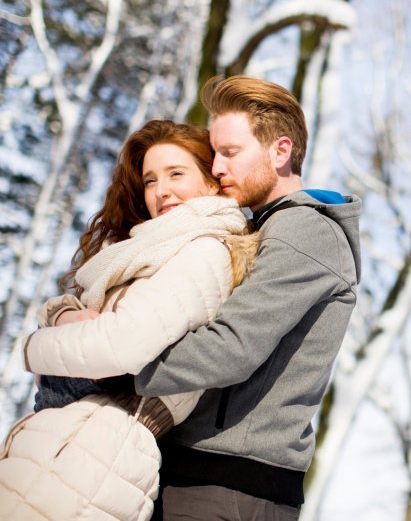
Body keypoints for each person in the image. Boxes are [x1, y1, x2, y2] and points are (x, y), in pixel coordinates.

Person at [0, 120, 256, 520]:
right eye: (150, 180)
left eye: (176, 174)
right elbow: (77, 313)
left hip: (101, 443)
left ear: (211, 182)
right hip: (74, 434)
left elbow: (121, 346)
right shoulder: (152, 249)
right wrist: (66, 315)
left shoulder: (205, 250)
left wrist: (34, 349)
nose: (161, 190)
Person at [132, 75, 361, 520]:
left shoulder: (305, 232)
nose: (216, 167)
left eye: (230, 153)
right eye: (214, 152)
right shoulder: (267, 227)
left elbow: (231, 348)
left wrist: (118, 366)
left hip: (231, 482)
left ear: (280, 151)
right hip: (207, 473)